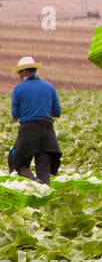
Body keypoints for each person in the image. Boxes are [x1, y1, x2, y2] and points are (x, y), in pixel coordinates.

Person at [9, 56, 61, 185]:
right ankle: (43, 196)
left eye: (20, 73)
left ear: (25, 72)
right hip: (47, 132)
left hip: (28, 132)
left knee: (16, 160)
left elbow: (15, 116)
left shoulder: (18, 89)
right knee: (43, 168)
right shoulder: (49, 87)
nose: (19, 76)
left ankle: (33, 180)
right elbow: (57, 113)